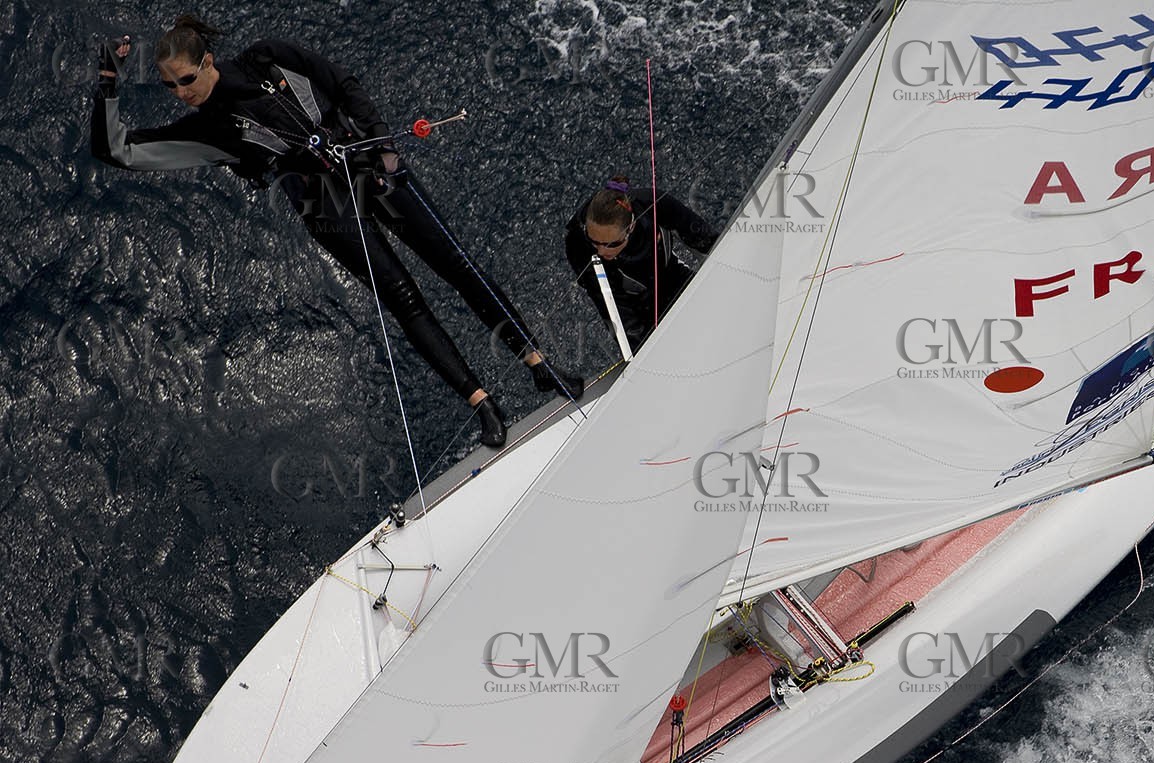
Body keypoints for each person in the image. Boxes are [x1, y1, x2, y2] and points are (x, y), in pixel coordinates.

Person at [91, 15, 583, 450]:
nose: (181, 93)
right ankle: (484, 406)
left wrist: (386, 145)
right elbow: (117, 152)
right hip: (323, 205)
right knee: (404, 297)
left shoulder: (268, 57)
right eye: (169, 87)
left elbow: (343, 83)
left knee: (456, 265)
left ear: (208, 60)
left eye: (185, 79)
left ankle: (539, 365)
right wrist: (108, 82)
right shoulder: (206, 130)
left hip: (369, 163)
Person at [563, 177, 719, 355]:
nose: (600, 251)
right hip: (638, 306)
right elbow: (615, 311)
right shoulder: (579, 246)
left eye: (611, 244)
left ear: (631, 227)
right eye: (594, 241)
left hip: (673, 274)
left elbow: (708, 240)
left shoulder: (653, 203)